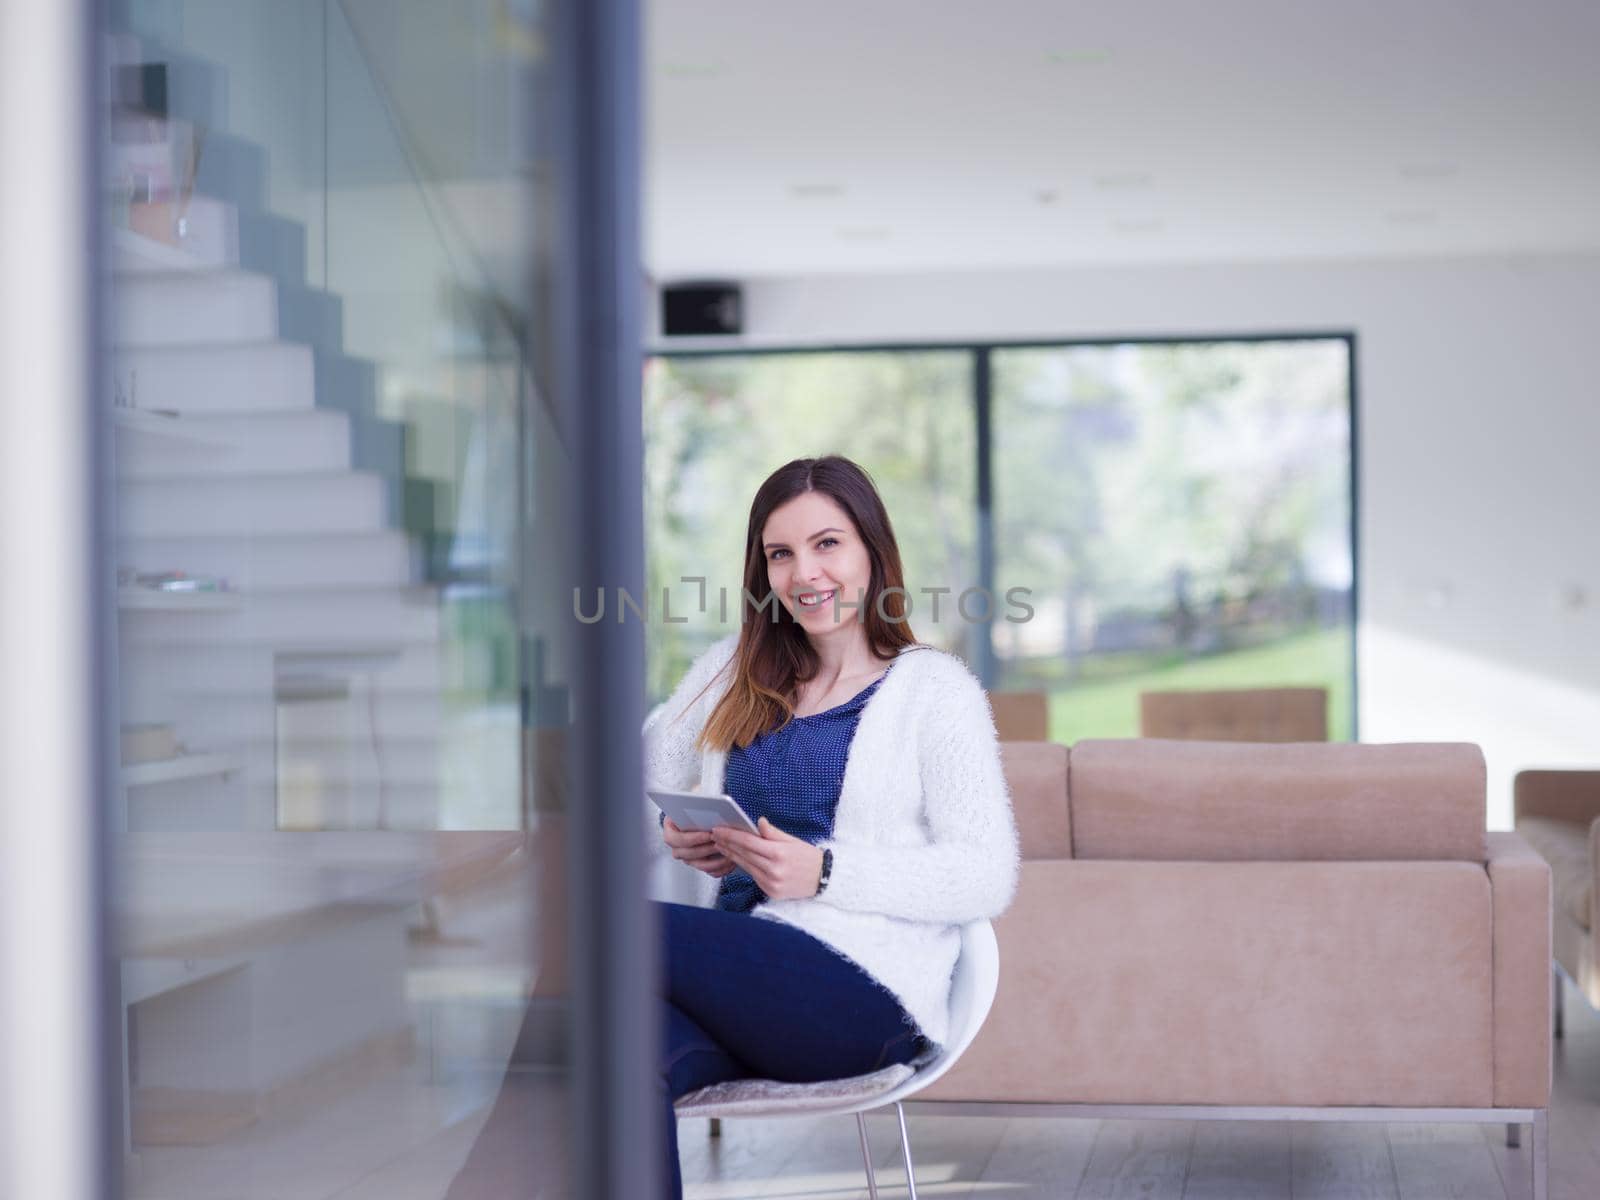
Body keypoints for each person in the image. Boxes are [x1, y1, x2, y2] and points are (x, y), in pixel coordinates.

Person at [644, 454, 1019, 1200]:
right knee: (608, 1065)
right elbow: (651, 765)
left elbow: (986, 872)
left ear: (873, 553)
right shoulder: (735, 671)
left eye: (827, 544)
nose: (804, 573)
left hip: (858, 992)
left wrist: (824, 873)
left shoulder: (935, 691)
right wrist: (676, 828)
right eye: (780, 554)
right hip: (744, 981)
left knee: (602, 932)